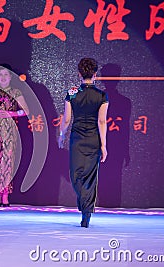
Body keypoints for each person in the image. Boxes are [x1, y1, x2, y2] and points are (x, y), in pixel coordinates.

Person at [58, 58, 108, 228]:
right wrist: (103, 145)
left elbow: (66, 119)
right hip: (92, 139)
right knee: (88, 177)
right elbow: (102, 122)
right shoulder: (101, 95)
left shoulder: (72, 92)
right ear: (95, 75)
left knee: (75, 175)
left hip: (78, 139)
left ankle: (86, 212)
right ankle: (87, 207)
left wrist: (61, 135)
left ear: (79, 73)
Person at [0, 64, 29, 207]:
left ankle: (5, 195)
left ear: (10, 77)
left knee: (8, 161)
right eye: (1, 75)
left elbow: (25, 111)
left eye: (6, 75)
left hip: (10, 132)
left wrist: (11, 114)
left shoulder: (16, 92)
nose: (3, 77)